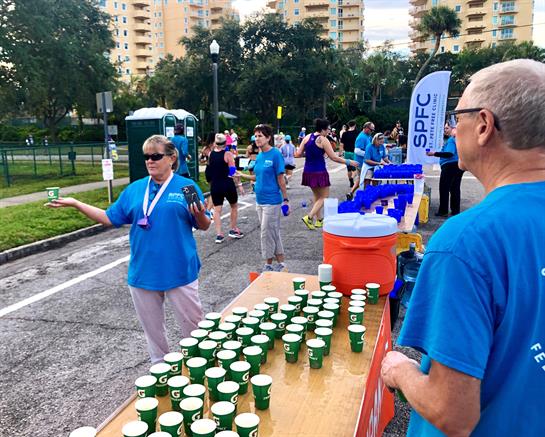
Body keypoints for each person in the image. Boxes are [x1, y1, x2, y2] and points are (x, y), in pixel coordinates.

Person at [381, 59, 545, 436]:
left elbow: (452, 413)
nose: (453, 129)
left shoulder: (467, 242)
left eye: (458, 118)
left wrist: (399, 371)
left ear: (484, 125)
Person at [47, 135, 211, 364]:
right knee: (154, 337)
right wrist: (76, 203)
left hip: (180, 270)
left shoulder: (186, 186)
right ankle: (161, 375)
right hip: (143, 273)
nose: (150, 161)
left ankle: (198, 369)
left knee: (194, 331)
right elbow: (108, 217)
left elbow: (204, 225)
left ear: (172, 158)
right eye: (146, 157)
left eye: (156, 156)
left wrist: (200, 214)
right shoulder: (135, 189)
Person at [237, 124, 289, 272]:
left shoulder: (275, 154)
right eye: (256, 136)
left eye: (260, 136)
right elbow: (257, 176)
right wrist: (242, 175)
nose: (257, 139)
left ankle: (268, 264)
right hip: (259, 201)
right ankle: (282, 263)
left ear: (268, 137)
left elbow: (281, 179)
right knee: (272, 232)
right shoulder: (260, 155)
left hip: (272, 201)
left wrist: (286, 200)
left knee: (266, 233)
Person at [296, 118, 359, 230]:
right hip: (319, 170)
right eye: (328, 129)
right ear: (323, 129)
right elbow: (334, 157)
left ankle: (319, 220)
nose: (329, 131)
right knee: (324, 196)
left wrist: (311, 153)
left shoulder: (307, 137)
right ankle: (309, 217)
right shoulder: (323, 139)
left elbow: (298, 153)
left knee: (317, 196)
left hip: (307, 171)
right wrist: (349, 162)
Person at [208, 133, 244, 244]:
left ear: (215, 143)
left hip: (215, 184)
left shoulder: (211, 154)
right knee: (234, 206)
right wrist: (239, 184)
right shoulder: (228, 154)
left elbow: (210, 169)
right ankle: (233, 229)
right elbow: (232, 170)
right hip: (227, 183)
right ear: (225, 143)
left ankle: (219, 234)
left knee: (217, 210)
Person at [427, 122, 464, 217]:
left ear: (453, 128)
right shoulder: (457, 139)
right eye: (444, 128)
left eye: (447, 128)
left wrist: (434, 153)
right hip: (457, 165)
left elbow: (449, 153)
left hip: (450, 166)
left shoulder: (451, 140)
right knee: (455, 189)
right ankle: (455, 210)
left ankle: (443, 211)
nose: (445, 130)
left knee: (444, 188)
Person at [348, 121, 374, 199]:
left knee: (360, 179)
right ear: (365, 128)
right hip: (362, 163)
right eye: (371, 129)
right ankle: (365, 196)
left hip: (364, 162)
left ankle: (351, 193)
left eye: (373, 130)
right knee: (366, 179)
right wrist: (368, 154)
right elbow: (357, 151)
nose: (372, 131)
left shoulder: (368, 136)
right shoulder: (361, 137)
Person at [340, 120, 359, 189]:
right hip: (354, 153)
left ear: (348, 125)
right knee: (355, 169)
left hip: (347, 152)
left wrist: (340, 152)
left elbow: (341, 144)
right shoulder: (357, 133)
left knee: (349, 169)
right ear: (355, 125)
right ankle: (353, 178)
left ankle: (351, 181)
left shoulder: (344, 134)